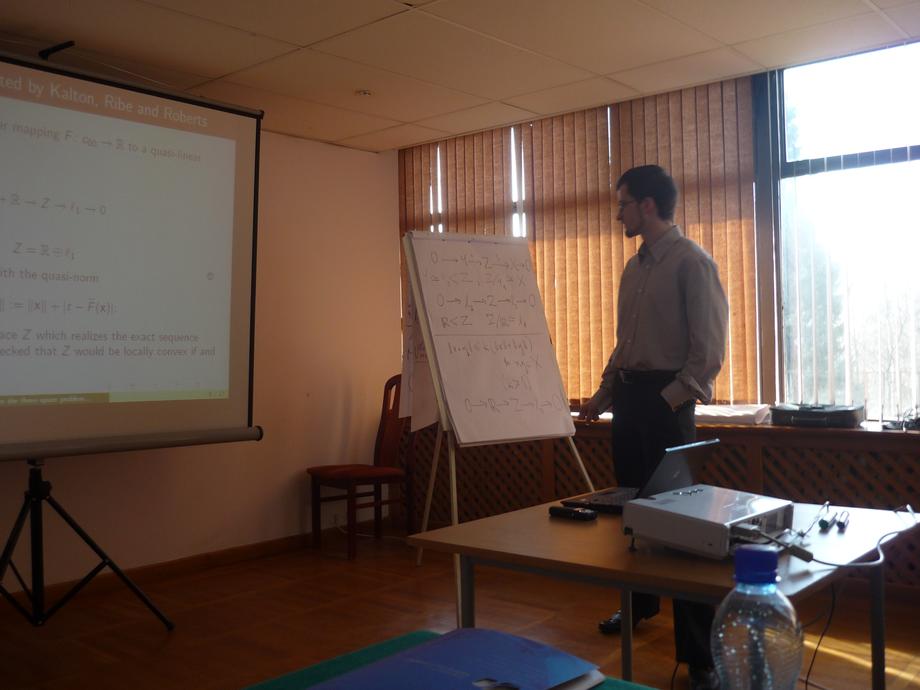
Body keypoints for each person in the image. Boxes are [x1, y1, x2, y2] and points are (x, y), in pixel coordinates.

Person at [579, 165, 728, 690]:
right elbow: (625, 345)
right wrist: (604, 395)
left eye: (622, 204)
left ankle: (699, 656)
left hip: (668, 406)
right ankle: (639, 605)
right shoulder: (633, 268)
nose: (617, 213)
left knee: (683, 527)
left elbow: (708, 352)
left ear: (646, 205)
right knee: (632, 514)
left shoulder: (693, 262)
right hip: (629, 401)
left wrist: (665, 402)